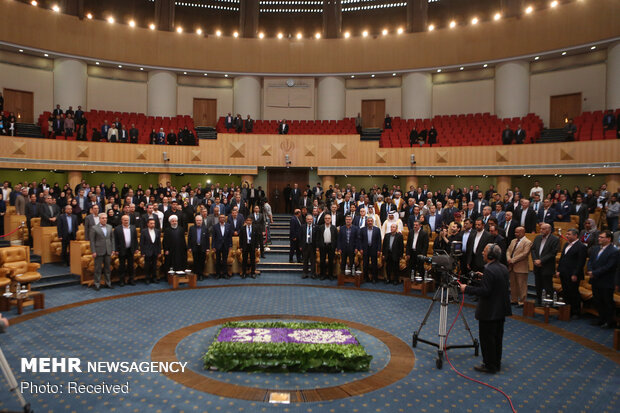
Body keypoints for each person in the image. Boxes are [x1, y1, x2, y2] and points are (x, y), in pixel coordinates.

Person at [460, 244, 511, 374]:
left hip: (489, 311)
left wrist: (467, 289)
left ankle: (489, 365)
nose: (482, 253)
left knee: (487, 339)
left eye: (484, 251)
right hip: (500, 310)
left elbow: (485, 291)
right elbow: (496, 284)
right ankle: (496, 363)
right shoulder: (503, 267)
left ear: (490, 255)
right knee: (497, 339)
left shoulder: (489, 269)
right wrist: (484, 277)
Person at [586, 231, 619, 328]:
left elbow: (609, 266)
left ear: (608, 239)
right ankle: (601, 319)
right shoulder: (596, 249)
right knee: (598, 300)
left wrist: (594, 273)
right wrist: (590, 270)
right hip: (595, 279)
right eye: (599, 237)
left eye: (602, 237)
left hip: (606, 280)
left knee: (607, 301)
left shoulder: (614, 251)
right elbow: (590, 261)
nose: (599, 238)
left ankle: (609, 321)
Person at [557, 228, 587, 319]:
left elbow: (580, 262)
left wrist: (575, 274)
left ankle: (575, 312)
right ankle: (567, 310)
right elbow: (562, 258)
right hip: (564, 272)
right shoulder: (566, 244)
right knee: (565, 292)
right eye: (567, 234)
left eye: (569, 234)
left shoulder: (581, 246)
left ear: (575, 235)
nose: (567, 236)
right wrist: (559, 270)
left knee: (573, 293)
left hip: (573, 274)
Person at [530, 223, 559, 305]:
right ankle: (539, 301)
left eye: (543, 229)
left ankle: (548, 303)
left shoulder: (554, 239)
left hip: (547, 267)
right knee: (538, 285)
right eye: (540, 229)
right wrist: (535, 260)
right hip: (537, 266)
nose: (540, 230)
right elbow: (533, 249)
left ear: (548, 230)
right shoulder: (537, 237)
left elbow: (553, 253)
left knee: (547, 286)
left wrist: (541, 261)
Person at [506, 226, 532, 307]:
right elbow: (508, 251)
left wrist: (513, 260)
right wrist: (509, 258)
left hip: (521, 267)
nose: (515, 234)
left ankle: (522, 301)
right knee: (513, 284)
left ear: (522, 232)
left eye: (517, 232)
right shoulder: (513, 241)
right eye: (515, 232)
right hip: (511, 266)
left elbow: (524, 254)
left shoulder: (527, 242)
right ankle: (514, 299)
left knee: (521, 285)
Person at [90, 213, 115, 291]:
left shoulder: (110, 227)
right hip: (98, 251)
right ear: (99, 219)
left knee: (108, 268)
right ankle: (97, 284)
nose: (105, 219)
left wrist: (113, 249)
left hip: (108, 250)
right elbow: (92, 241)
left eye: (106, 218)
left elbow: (112, 239)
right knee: (98, 269)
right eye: (103, 218)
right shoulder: (94, 228)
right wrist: (93, 251)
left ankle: (108, 283)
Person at [113, 215, 138, 286]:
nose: (126, 221)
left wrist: (136, 248)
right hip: (121, 250)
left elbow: (135, 239)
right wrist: (116, 250)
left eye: (127, 220)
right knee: (122, 266)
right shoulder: (117, 229)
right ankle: (122, 280)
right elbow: (115, 240)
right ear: (122, 220)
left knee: (131, 266)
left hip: (131, 249)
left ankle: (131, 279)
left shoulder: (133, 228)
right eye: (124, 220)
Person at [359, 216, 382, 283]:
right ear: (367, 222)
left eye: (371, 221)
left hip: (374, 249)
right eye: (368, 221)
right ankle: (366, 278)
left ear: (373, 222)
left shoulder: (377, 230)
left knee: (374, 264)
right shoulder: (362, 229)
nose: (370, 222)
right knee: (365, 264)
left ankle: (374, 278)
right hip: (365, 249)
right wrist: (360, 248)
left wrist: (379, 250)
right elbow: (360, 240)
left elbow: (379, 241)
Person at [317, 214, 338, 280]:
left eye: (329, 218)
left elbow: (336, 238)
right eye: (326, 218)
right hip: (323, 246)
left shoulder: (334, 228)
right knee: (322, 261)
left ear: (331, 220)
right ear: (324, 219)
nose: (327, 219)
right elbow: (318, 238)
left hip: (331, 246)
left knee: (331, 261)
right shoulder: (321, 227)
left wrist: (336, 247)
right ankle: (322, 275)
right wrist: (318, 246)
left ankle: (330, 275)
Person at [140, 218, 161, 284]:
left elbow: (159, 242)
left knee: (154, 266)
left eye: (154, 223)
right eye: (151, 223)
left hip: (155, 251)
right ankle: (147, 278)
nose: (153, 225)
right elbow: (142, 243)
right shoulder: (144, 231)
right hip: (147, 251)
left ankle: (154, 278)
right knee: (147, 266)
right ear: (148, 224)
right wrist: (143, 252)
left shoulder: (157, 231)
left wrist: (159, 251)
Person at [188, 215, 209, 281]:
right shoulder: (191, 228)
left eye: (200, 220)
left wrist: (207, 248)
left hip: (203, 247)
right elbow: (189, 238)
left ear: (202, 221)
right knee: (196, 261)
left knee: (202, 261)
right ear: (195, 221)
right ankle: (196, 274)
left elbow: (207, 239)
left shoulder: (205, 228)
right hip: (194, 247)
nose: (198, 222)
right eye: (197, 220)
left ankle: (201, 275)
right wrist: (189, 247)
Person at [212, 214, 232, 279]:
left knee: (224, 261)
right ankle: (218, 274)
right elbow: (213, 237)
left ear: (225, 219)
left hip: (226, 246)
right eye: (221, 218)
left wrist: (230, 245)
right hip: (217, 246)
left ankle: (225, 274)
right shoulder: (215, 226)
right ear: (219, 219)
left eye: (223, 217)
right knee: (217, 261)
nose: (222, 219)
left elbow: (230, 237)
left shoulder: (228, 226)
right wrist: (213, 246)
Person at [299, 214, 316, 279]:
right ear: (306, 220)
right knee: (305, 260)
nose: (309, 220)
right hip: (305, 246)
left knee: (313, 261)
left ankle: (313, 273)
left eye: (311, 219)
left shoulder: (315, 227)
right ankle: (305, 273)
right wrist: (300, 245)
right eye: (308, 219)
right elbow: (300, 237)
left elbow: (317, 238)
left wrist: (317, 246)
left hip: (312, 246)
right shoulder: (302, 227)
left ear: (313, 220)